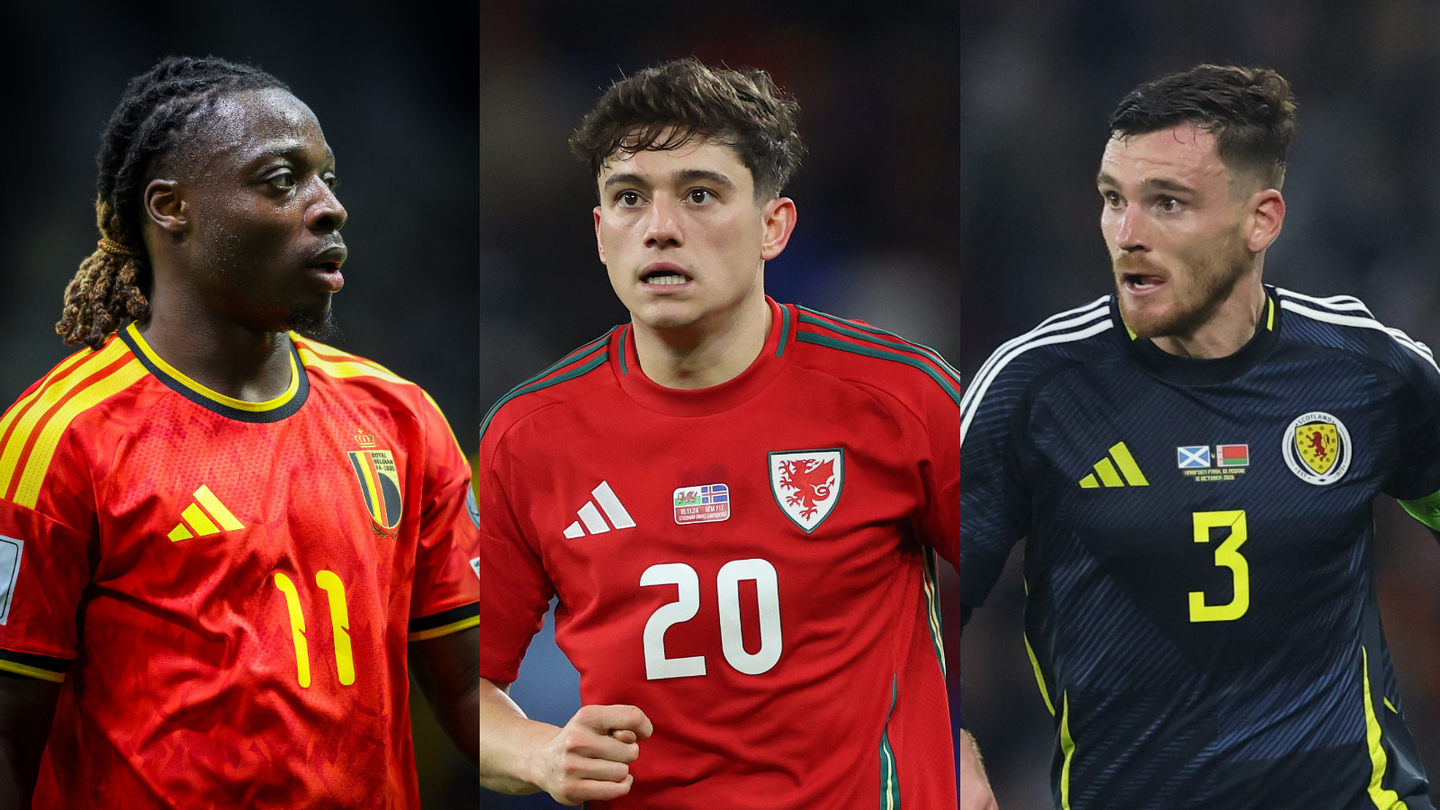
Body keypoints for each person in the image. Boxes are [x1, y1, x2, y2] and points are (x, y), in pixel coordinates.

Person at [471, 58, 960, 807]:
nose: (661, 228)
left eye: (700, 194)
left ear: (774, 225)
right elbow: (458, 687)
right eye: (629, 198)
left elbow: (1032, 578)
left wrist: (973, 739)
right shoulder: (528, 436)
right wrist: (540, 751)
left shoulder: (897, 397)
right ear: (602, 235)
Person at [0, 56, 481, 808]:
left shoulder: (401, 419)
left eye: (328, 179)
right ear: (171, 208)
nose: (328, 208)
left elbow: (472, 691)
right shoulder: (59, 439)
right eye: (282, 181)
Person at [960, 63, 1440, 810]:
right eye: (1113, 199)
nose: (1128, 234)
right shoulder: (1035, 388)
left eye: (1167, 204)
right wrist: (949, 744)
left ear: (1263, 220)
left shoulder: (1364, 372)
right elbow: (909, 599)